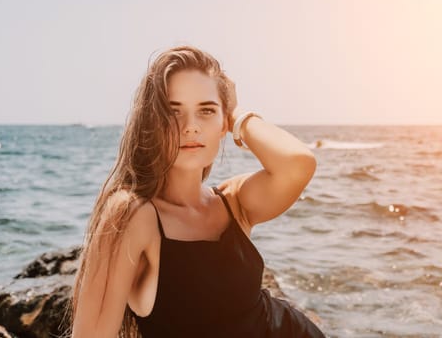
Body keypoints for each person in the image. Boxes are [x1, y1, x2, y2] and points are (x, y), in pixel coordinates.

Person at [69, 45, 324, 337]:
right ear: (152, 123)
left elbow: (298, 164)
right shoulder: (132, 215)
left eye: (206, 111)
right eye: (173, 111)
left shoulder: (234, 202)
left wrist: (235, 113)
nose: (190, 127)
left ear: (223, 123)